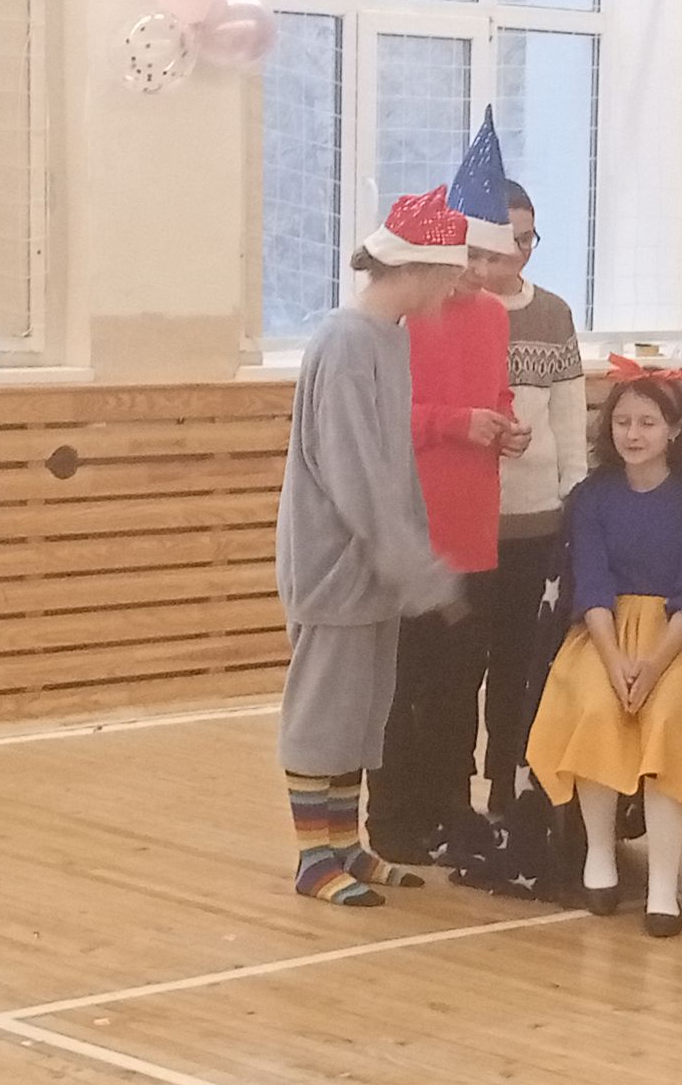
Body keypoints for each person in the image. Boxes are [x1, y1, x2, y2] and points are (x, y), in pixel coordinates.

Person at [275, 187, 467, 907]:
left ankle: (345, 843)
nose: (454, 288)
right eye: (450, 273)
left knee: (363, 711)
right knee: (324, 711)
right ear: (416, 267)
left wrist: (408, 557)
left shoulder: (389, 336)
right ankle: (311, 857)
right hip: (337, 564)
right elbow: (352, 471)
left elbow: (391, 468)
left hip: (377, 568)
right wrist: (412, 563)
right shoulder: (347, 342)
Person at [525, 366, 682, 938]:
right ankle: (599, 857)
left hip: (677, 640)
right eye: (622, 421)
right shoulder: (591, 497)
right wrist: (615, 659)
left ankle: (663, 887)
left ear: (674, 429)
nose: (633, 433)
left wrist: (651, 665)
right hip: (602, 636)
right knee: (598, 708)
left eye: (647, 422)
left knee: (667, 717)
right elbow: (591, 583)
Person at [367, 110, 531, 865]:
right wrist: (453, 423)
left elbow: (493, 396)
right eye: (470, 255)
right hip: (415, 524)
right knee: (407, 682)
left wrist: (502, 426)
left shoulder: (492, 318)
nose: (480, 270)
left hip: (474, 522)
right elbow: (381, 422)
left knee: (462, 679)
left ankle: (451, 805)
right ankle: (394, 815)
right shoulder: (400, 322)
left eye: (493, 257)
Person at [481, 180, 589, 818]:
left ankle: (509, 790)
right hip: (469, 529)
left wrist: (573, 504)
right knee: (460, 670)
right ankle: (449, 798)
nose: (520, 253)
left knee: (522, 668)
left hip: (537, 528)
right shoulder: (450, 313)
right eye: (508, 241)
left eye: (529, 239)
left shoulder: (553, 313)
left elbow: (571, 424)